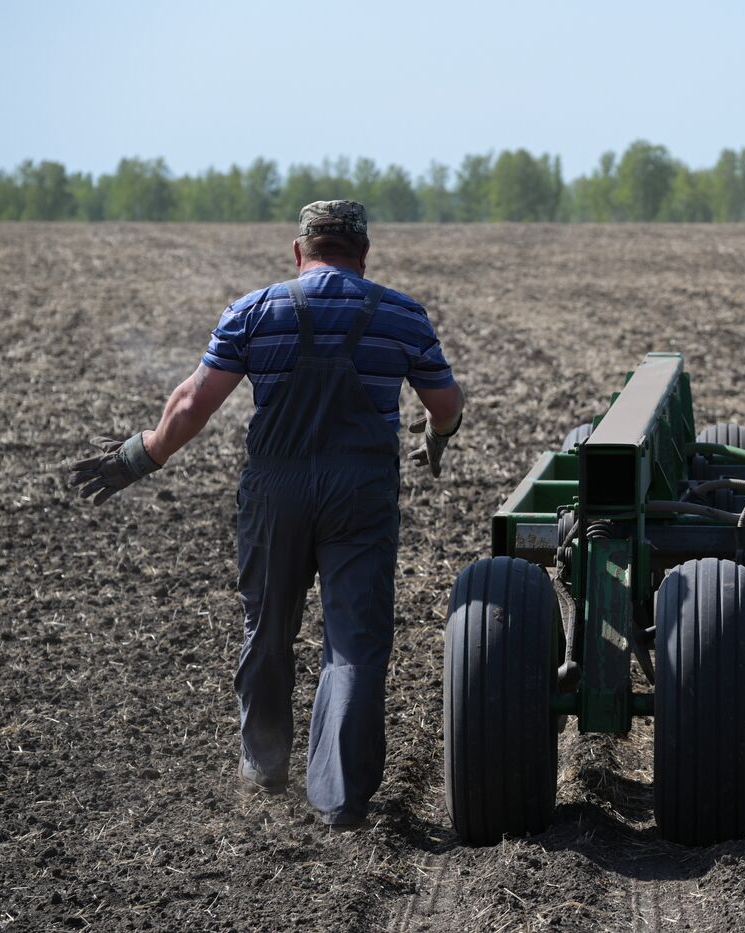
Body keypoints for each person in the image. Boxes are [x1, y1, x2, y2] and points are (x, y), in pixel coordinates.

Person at [68, 201, 464, 829]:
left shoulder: (256, 311)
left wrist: (139, 458)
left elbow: (194, 402)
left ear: (298, 251)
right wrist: (438, 435)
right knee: (354, 641)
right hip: (359, 493)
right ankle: (340, 798)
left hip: (275, 491)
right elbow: (444, 401)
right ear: (363, 254)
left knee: (269, 624)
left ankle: (266, 764)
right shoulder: (400, 313)